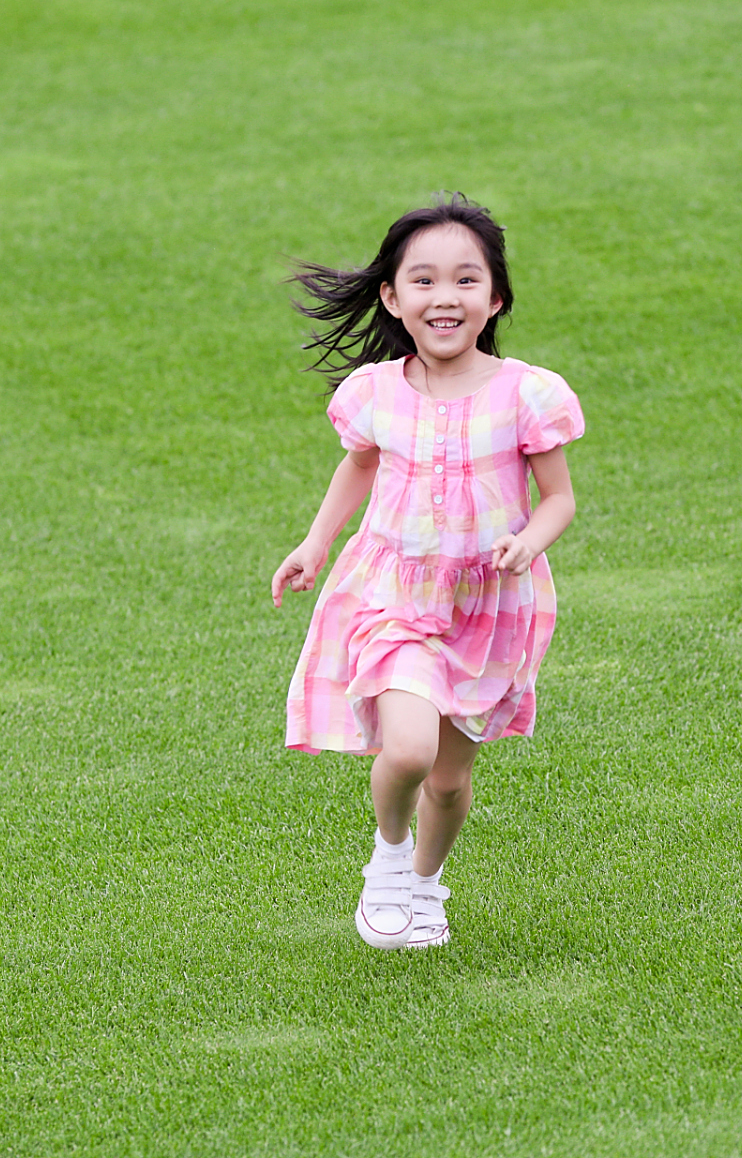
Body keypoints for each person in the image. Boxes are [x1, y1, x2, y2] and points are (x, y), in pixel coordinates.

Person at [270, 194, 584, 949]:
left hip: (488, 607)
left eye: (466, 280)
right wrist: (315, 544)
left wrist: (528, 543)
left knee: (448, 779)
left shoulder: (527, 394)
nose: (445, 297)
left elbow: (561, 499)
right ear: (392, 296)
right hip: (395, 594)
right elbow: (358, 466)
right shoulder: (376, 392)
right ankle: (386, 862)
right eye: (424, 281)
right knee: (407, 749)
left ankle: (425, 882)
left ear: (495, 297)